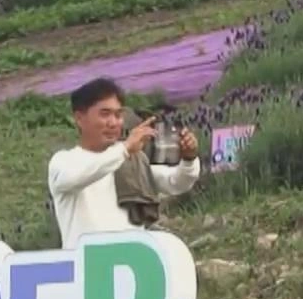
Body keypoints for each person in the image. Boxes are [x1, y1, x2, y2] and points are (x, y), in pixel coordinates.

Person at [47, 77, 201, 249]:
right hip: (86, 264)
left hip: (131, 262)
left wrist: (189, 159)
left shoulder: (131, 161)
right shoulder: (64, 161)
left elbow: (176, 183)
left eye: (118, 115)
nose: (113, 123)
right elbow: (77, 177)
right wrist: (125, 148)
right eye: (105, 114)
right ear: (79, 118)